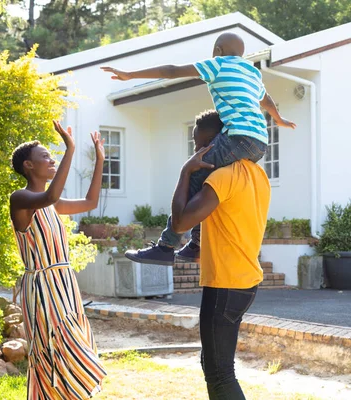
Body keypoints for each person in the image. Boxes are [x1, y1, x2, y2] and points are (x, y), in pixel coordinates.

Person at [101, 32, 294, 264]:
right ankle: (196, 244)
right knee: (208, 181)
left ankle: (165, 246)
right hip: (259, 143)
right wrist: (279, 119)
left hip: (237, 138)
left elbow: (171, 71)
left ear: (218, 50)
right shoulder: (251, 72)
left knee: (194, 173)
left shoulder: (218, 64)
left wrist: (130, 75)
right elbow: (267, 100)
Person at [170, 110, 270, 399]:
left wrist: (186, 171)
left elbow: (180, 223)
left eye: (199, 146)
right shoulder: (257, 174)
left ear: (218, 142)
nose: (197, 153)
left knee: (220, 373)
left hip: (225, 283)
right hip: (244, 280)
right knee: (213, 365)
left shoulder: (222, 177)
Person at [9, 121, 107, 399]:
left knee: (73, 344)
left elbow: (90, 202)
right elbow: (51, 194)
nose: (51, 160)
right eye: (45, 157)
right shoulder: (20, 199)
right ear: (28, 165)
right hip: (42, 288)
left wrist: (100, 159)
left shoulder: (50, 204)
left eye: (53, 156)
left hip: (64, 285)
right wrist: (70, 148)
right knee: (55, 350)